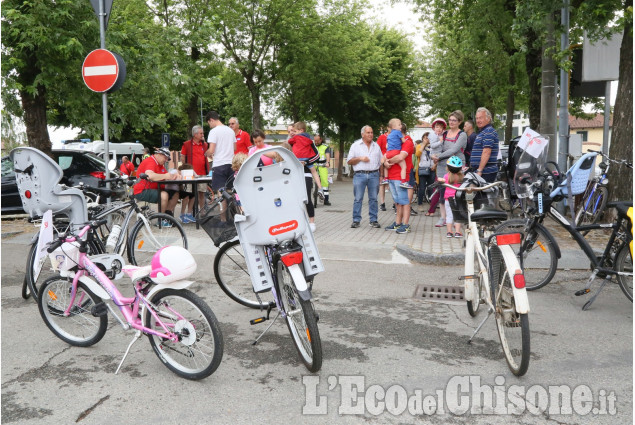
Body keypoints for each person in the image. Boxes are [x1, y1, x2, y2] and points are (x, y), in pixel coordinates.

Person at [431, 111, 467, 227]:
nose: (451, 122)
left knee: (456, 193)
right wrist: (434, 156)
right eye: (450, 120)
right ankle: (443, 217)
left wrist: (438, 157)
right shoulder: (444, 134)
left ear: (459, 122)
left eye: (454, 120)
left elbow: (454, 150)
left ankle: (457, 218)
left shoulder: (462, 135)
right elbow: (438, 147)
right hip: (443, 166)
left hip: (457, 166)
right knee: (443, 192)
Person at [132, 147, 180, 224]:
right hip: (142, 190)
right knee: (164, 195)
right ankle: (160, 220)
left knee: (175, 193)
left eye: (167, 158)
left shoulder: (160, 164)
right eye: (165, 157)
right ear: (159, 154)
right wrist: (166, 176)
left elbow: (165, 176)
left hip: (154, 188)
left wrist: (174, 175)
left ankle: (167, 215)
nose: (166, 160)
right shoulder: (151, 161)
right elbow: (150, 176)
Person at [347, 125, 382, 228]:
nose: (370, 134)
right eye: (368, 132)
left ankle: (373, 220)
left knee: (374, 199)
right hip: (360, 175)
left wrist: (382, 175)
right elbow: (349, 161)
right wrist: (360, 158)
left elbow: (381, 161)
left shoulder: (376, 146)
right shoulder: (355, 145)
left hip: (374, 174)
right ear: (363, 134)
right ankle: (356, 220)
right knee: (358, 198)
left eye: (371, 132)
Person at [384, 125, 415, 234]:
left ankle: (406, 225)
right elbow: (385, 155)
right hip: (392, 176)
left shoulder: (407, 142)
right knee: (397, 202)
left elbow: (400, 157)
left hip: (402, 177)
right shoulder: (395, 144)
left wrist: (388, 161)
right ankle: (398, 223)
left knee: (405, 201)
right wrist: (384, 161)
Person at [287, 125, 317, 232]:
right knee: (294, 200)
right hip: (293, 175)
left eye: (293, 130)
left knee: (307, 198)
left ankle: (312, 222)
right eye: (289, 131)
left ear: (299, 131)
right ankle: (297, 222)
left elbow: (316, 156)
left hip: (306, 174)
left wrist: (306, 162)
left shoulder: (307, 141)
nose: (291, 132)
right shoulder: (289, 143)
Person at [288, 121, 324, 200]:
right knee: (314, 172)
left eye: (294, 131)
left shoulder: (295, 138)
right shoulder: (309, 139)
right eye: (290, 131)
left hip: (298, 162)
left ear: (301, 130)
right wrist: (307, 161)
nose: (293, 132)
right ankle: (320, 188)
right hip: (307, 160)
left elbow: (289, 142)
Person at [205, 111, 236, 192]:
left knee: (221, 191)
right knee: (230, 191)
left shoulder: (213, 131)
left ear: (211, 120)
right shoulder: (230, 131)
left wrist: (207, 153)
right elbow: (234, 148)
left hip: (219, 164)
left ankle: (222, 205)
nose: (210, 126)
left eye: (209, 123)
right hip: (231, 164)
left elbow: (211, 150)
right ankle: (231, 205)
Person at [181, 125, 209, 212]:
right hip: (189, 173)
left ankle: (202, 212)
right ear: (195, 134)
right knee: (188, 193)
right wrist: (187, 169)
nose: (202, 135)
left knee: (202, 193)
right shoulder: (187, 144)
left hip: (202, 173)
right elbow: (182, 158)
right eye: (201, 133)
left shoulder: (204, 145)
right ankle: (184, 213)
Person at [471, 107, 499, 183]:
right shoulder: (483, 132)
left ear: (488, 118)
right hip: (482, 171)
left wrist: (480, 170)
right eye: (477, 118)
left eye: (480, 118)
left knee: (482, 194)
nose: (478, 121)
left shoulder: (488, 131)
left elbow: (486, 152)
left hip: (485, 172)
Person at [439, 156, 464, 238]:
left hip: (448, 199)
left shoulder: (446, 176)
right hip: (458, 198)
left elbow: (441, 180)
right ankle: (457, 232)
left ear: (448, 168)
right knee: (457, 215)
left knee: (449, 215)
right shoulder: (461, 177)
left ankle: (449, 232)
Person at [381, 118, 409, 189]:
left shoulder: (389, 135)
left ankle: (386, 179)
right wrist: (403, 140)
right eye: (399, 125)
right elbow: (403, 141)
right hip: (396, 152)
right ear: (394, 127)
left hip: (388, 153)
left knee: (386, 166)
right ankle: (403, 181)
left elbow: (387, 146)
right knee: (404, 166)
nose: (401, 126)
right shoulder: (398, 132)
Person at [417, 133, 435, 210]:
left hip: (432, 169)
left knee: (431, 187)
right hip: (423, 169)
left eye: (428, 138)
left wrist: (435, 165)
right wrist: (423, 145)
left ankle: (431, 203)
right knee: (422, 187)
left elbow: (438, 156)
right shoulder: (419, 146)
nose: (427, 139)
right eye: (425, 138)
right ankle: (420, 204)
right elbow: (417, 154)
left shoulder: (433, 146)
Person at [314, 134, 332, 206]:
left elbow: (327, 155)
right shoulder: (312, 146)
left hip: (322, 166)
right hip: (314, 166)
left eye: (317, 141)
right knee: (311, 181)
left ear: (321, 140)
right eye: (315, 140)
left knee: (325, 182)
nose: (316, 142)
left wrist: (327, 162)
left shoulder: (325, 146)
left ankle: (326, 200)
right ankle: (313, 198)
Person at [376, 126, 388, 211]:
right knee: (382, 183)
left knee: (393, 184)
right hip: (383, 162)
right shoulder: (382, 137)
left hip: (393, 162)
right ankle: (382, 203)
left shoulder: (397, 137)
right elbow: (377, 149)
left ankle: (395, 204)